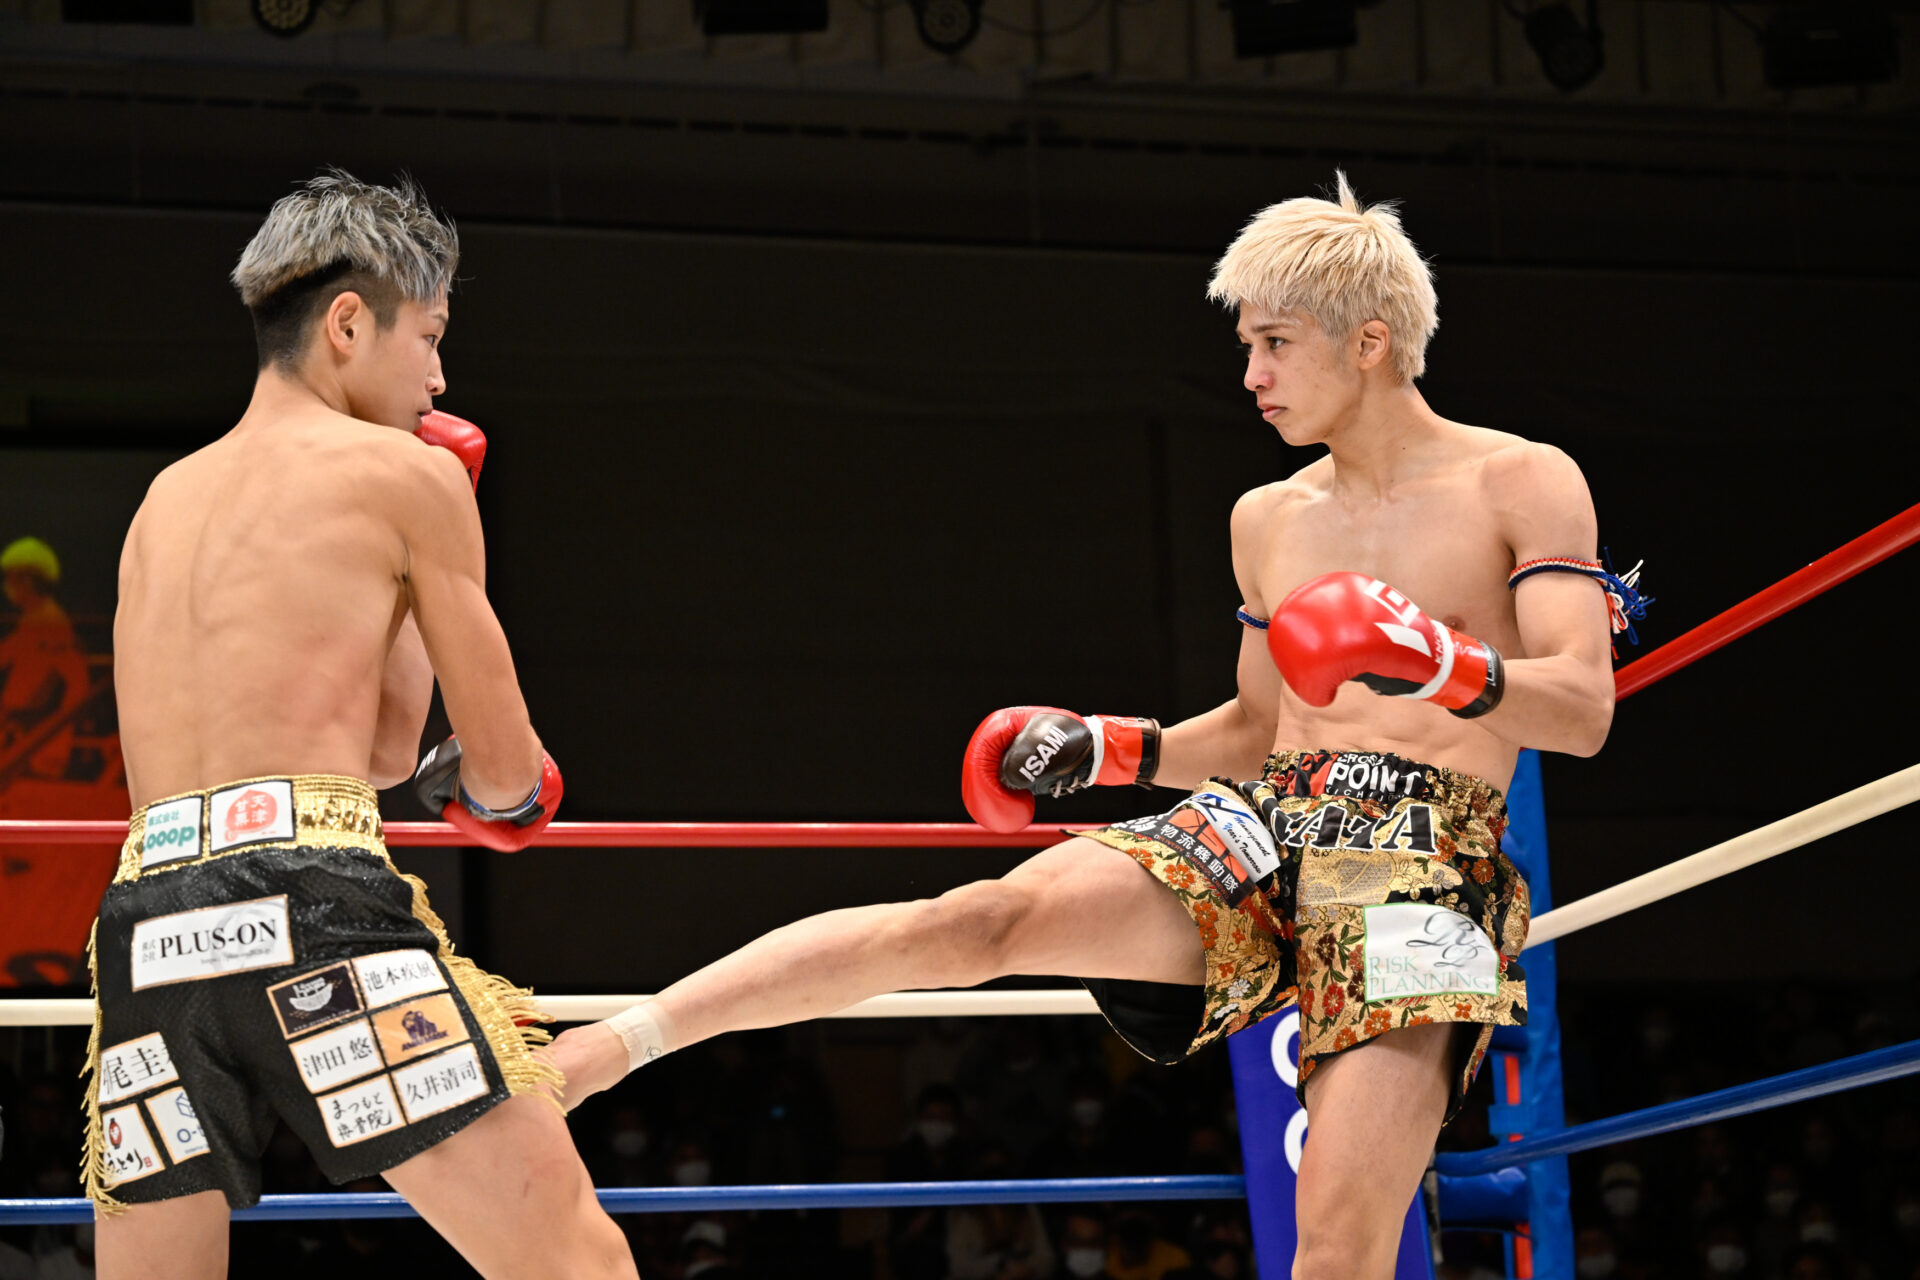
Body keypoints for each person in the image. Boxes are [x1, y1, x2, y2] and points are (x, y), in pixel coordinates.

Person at [552, 172, 1621, 1277]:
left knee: (1339, 1244)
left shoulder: (1520, 480)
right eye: (1247, 345)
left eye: (1274, 343)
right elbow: (1261, 726)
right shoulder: (1269, 516)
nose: (1250, 375)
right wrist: (1114, 746)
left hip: (1428, 851)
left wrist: (1434, 659)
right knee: (977, 920)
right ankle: (615, 1044)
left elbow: (1584, 709)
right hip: (1274, 814)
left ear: (1369, 342)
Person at [88, 170, 634, 1279]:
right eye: (428, 337)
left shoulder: (161, 501)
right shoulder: (405, 474)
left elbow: (380, 753)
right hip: (310, 905)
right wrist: (445, 513)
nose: (439, 377)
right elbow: (503, 775)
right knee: (577, 1260)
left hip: (147, 929)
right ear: (347, 324)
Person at [0, 536, 90, 778]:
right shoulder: (31, 620)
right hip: (16, 730)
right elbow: (8, 653)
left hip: (32, 739)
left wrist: (57, 743)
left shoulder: (52, 623)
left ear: (28, 580)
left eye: (11, 578)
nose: (7, 586)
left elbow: (77, 683)